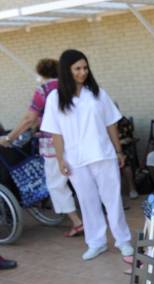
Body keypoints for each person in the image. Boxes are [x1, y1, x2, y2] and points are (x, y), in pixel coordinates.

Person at [40, 49, 133, 262]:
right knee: (87, 201)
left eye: (85, 67)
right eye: (77, 68)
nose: (83, 72)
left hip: (103, 154)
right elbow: (55, 132)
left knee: (112, 200)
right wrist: (60, 158)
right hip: (75, 160)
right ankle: (96, 242)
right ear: (66, 70)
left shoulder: (98, 93)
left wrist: (118, 151)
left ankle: (123, 240)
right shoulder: (55, 98)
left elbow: (111, 124)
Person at [0, 58, 84, 238]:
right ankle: (93, 217)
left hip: (53, 144)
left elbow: (29, 118)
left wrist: (9, 137)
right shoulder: (71, 87)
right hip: (78, 140)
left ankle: (77, 222)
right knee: (81, 180)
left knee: (56, 184)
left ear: (41, 73)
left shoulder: (44, 90)